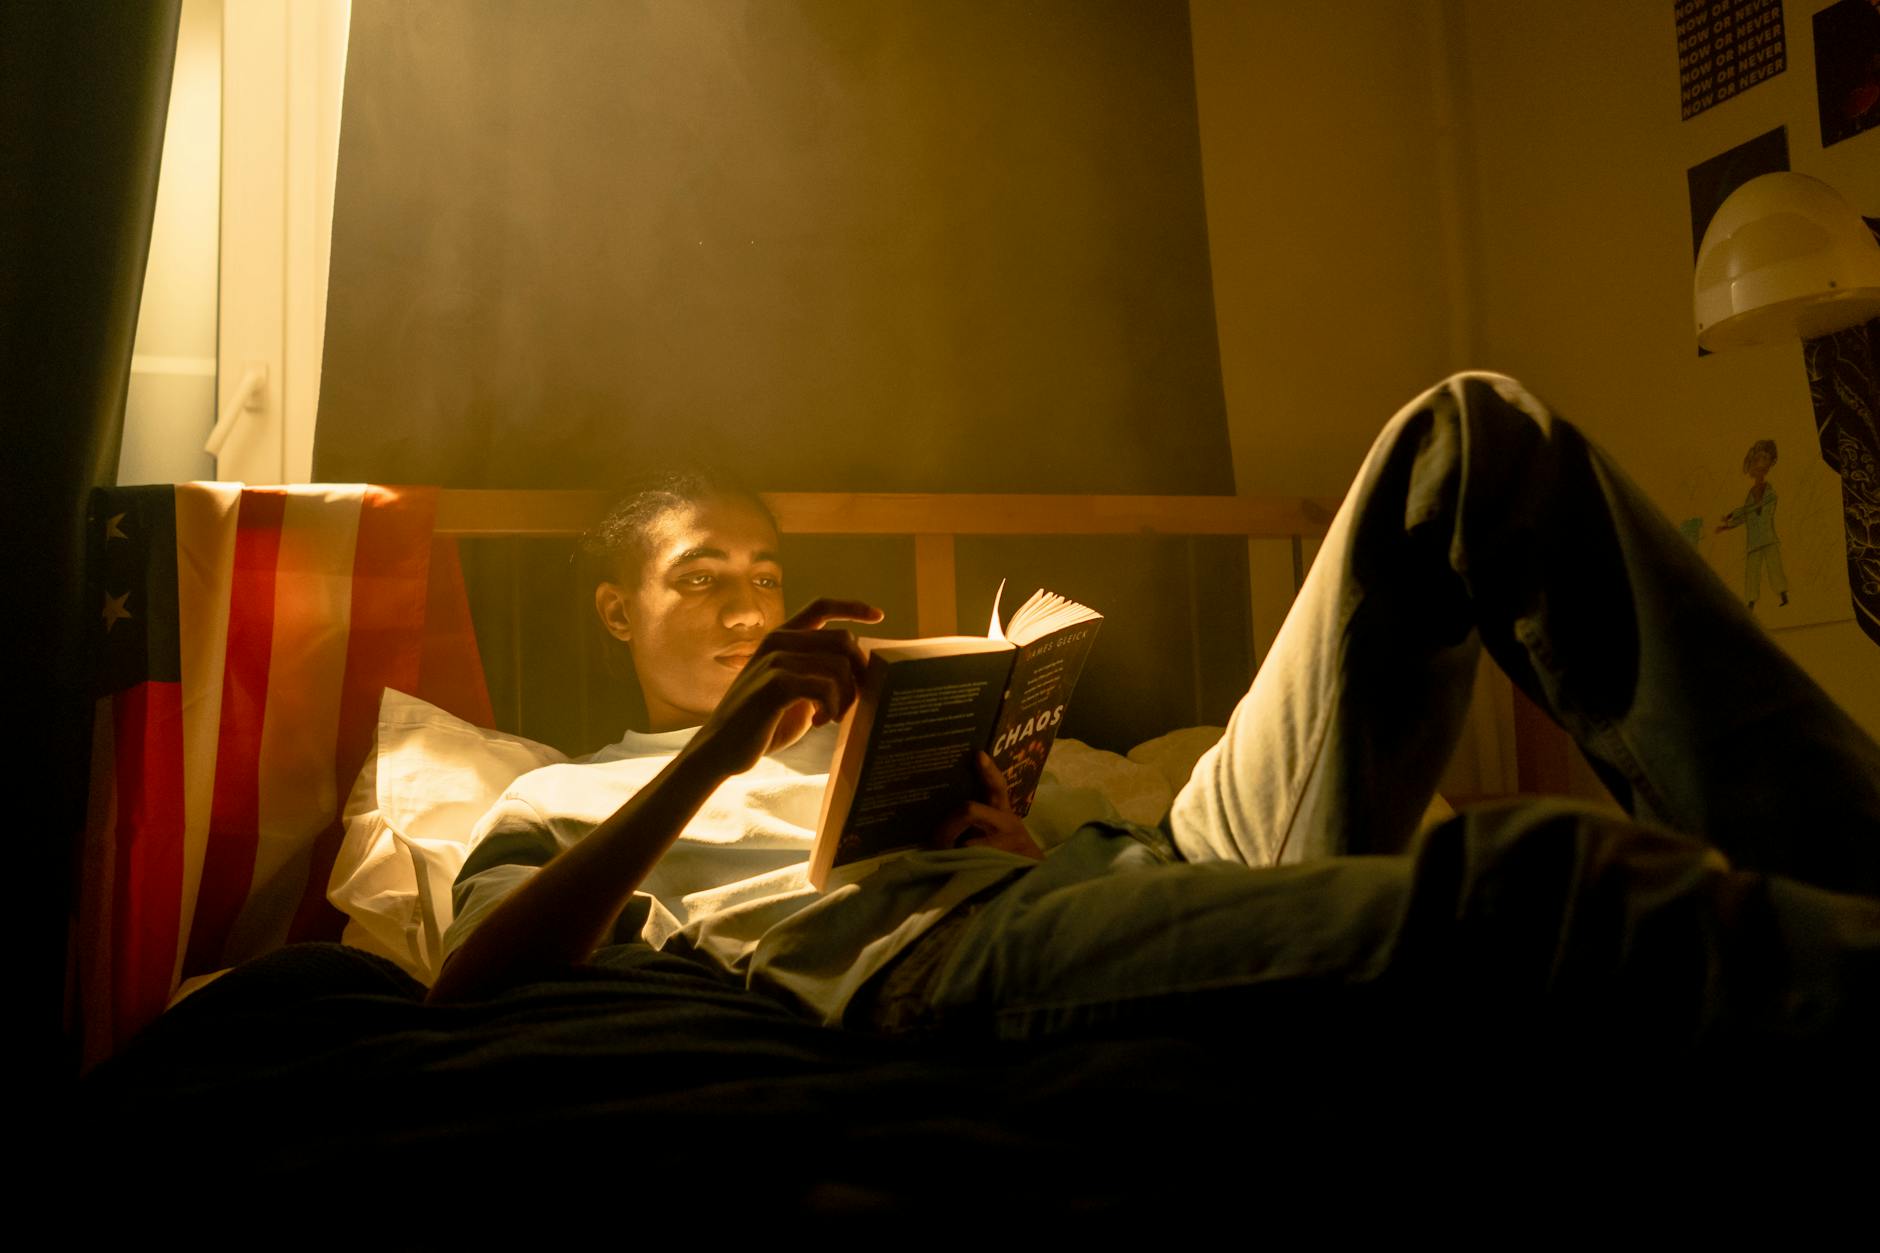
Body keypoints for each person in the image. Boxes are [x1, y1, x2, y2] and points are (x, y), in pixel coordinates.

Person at [434, 373, 1880, 1055]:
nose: (750, 604)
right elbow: (472, 984)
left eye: (766, 573)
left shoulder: (866, 729)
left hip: (1145, 855)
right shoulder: (559, 801)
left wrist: (1007, 817)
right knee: (1542, 893)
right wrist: (712, 754)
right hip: (942, 954)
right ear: (618, 611)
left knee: (1475, 439)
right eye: (703, 578)